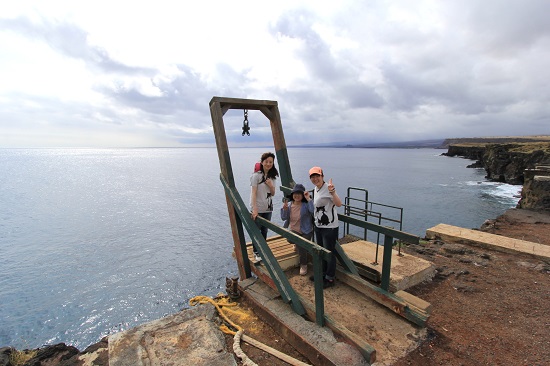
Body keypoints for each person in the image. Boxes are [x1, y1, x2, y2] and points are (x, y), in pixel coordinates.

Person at [308, 166, 342, 288]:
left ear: (322, 176)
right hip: (318, 226)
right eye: (313, 177)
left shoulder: (328, 188)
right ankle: (323, 274)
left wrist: (333, 192)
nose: (315, 178)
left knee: (329, 253)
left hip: (330, 227)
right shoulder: (316, 189)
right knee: (321, 251)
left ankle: (330, 278)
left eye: (317, 176)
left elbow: (339, 204)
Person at [250, 152, 279, 261]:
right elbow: (253, 193)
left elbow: (273, 193)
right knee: (256, 230)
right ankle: (256, 252)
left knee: (264, 230)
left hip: (268, 208)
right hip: (257, 208)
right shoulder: (256, 176)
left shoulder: (273, 177)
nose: (268, 164)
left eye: (270, 162)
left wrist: (271, 185)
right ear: (262, 162)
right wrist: (254, 209)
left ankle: (263, 250)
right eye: (266, 161)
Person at [280, 183, 314, 276]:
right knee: (290, 238)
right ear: (292, 195)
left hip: (306, 231)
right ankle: (297, 244)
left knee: (302, 245)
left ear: (303, 195)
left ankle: (303, 264)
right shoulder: (290, 205)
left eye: (299, 193)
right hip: (294, 230)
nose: (297, 195)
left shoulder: (306, 204)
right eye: (295, 193)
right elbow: (283, 218)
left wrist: (309, 199)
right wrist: (285, 209)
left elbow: (313, 211)